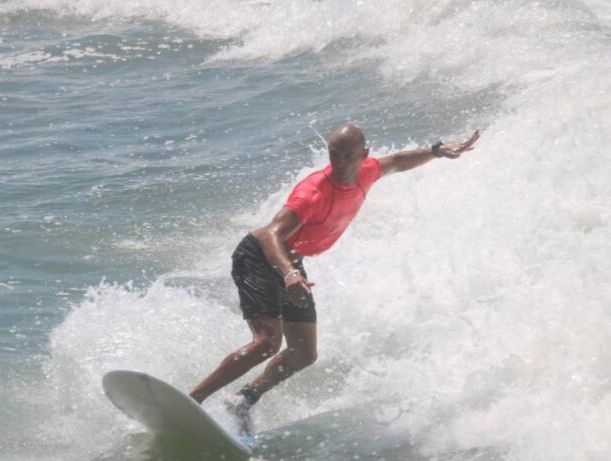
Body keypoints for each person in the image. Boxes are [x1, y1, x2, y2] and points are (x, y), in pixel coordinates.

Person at [189, 123, 480, 431]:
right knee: (267, 343)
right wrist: (289, 274)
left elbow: (396, 161)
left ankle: (243, 400)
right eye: (334, 155)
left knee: (303, 353)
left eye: (348, 156)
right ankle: (193, 400)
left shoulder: (367, 171)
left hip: (290, 264)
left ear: (364, 154)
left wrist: (436, 151)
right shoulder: (313, 192)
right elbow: (270, 234)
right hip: (260, 257)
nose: (340, 163)